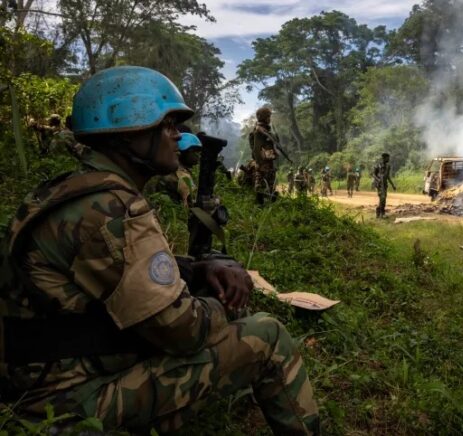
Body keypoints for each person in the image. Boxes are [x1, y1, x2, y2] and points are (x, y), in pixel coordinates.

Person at [0, 66, 319, 435]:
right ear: (127, 133)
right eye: (167, 125)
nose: (178, 136)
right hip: (66, 406)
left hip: (31, 385)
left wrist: (194, 270)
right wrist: (227, 305)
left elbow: (108, 271)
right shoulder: (113, 211)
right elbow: (183, 332)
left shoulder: (67, 192)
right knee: (265, 335)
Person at [150, 132, 201, 208]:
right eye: (195, 151)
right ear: (183, 152)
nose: (198, 155)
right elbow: (194, 204)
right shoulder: (181, 176)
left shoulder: (171, 170)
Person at [250, 107, 279, 205]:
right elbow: (256, 149)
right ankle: (260, 205)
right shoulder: (259, 130)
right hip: (263, 162)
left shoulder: (265, 129)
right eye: (268, 116)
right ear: (264, 117)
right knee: (261, 183)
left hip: (267, 161)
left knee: (270, 183)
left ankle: (268, 203)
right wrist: (258, 162)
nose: (270, 118)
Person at [373, 153, 396, 218]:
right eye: (387, 158)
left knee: (384, 199)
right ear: (384, 158)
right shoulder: (378, 165)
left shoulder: (388, 167)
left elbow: (388, 176)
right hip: (379, 185)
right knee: (382, 198)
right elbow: (374, 175)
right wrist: (378, 180)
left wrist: (393, 185)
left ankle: (381, 213)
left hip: (385, 184)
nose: (388, 159)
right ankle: (380, 212)